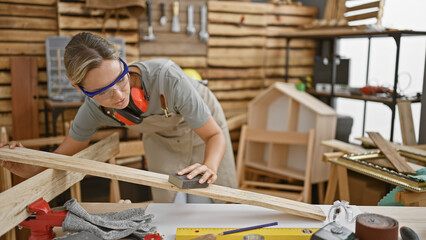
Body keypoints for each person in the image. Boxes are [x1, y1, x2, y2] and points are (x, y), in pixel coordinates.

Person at [0, 32, 237, 203]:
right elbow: (63, 156)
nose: (119, 95)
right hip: (160, 137)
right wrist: (26, 164)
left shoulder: (168, 79)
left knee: (218, 199)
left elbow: (213, 135)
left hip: (205, 126)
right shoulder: (92, 109)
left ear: (121, 62)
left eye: (121, 79)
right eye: (103, 91)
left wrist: (209, 165)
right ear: (81, 89)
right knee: (169, 200)